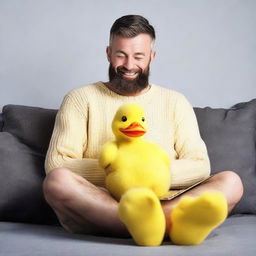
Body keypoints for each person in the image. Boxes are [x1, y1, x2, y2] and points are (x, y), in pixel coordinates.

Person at [43, 15, 243, 242]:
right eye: (121, 55)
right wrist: (122, 173)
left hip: (166, 197)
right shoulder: (80, 98)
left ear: (152, 57)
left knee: (231, 182)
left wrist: (150, 174)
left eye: (139, 56)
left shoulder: (175, 101)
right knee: (57, 181)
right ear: (108, 53)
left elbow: (200, 165)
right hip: (101, 200)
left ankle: (149, 222)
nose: (129, 65)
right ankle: (171, 224)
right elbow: (58, 162)